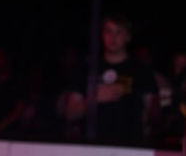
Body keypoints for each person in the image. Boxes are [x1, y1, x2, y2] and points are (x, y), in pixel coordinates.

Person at [64, 13, 159, 145]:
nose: (112, 37)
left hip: (131, 147)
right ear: (102, 35)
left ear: (128, 37)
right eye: (108, 31)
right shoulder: (88, 69)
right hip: (92, 146)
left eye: (118, 32)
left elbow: (154, 115)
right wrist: (93, 99)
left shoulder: (141, 71)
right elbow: (70, 113)